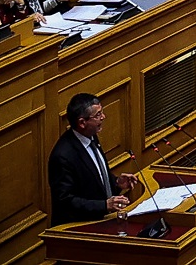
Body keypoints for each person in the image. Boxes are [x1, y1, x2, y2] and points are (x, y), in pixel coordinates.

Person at [50, 92, 141, 224]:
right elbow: (65, 200)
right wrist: (104, 205)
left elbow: (93, 177)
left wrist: (116, 183)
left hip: (102, 222)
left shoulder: (91, 137)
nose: (103, 117)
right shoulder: (63, 156)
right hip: (79, 229)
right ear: (82, 122)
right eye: (98, 115)